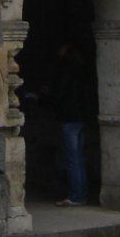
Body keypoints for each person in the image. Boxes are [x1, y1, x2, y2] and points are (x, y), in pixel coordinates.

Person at [44, 40, 97, 206]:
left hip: (70, 117)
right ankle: (81, 193)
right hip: (82, 117)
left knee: (73, 158)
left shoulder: (66, 70)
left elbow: (58, 92)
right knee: (79, 157)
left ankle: (77, 196)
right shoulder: (83, 69)